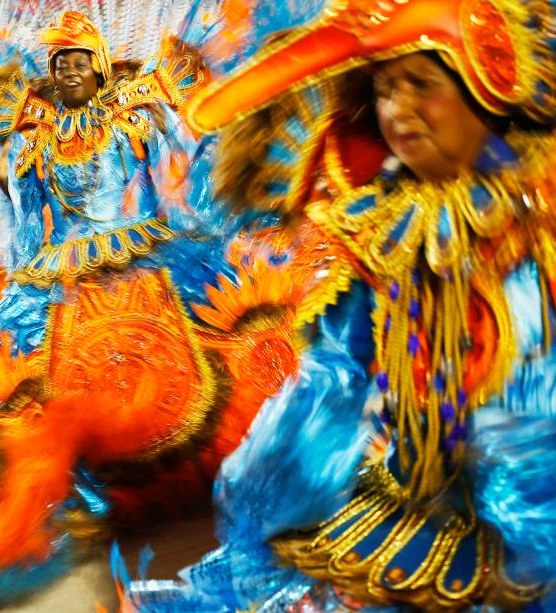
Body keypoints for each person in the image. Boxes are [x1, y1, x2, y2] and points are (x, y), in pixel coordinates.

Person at [125, 0, 556, 610]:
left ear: (489, 96)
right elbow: (336, 376)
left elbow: (534, 417)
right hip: (399, 501)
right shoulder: (383, 227)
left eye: (422, 85)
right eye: (384, 90)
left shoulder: (537, 228)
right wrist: (279, 479)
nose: (398, 110)